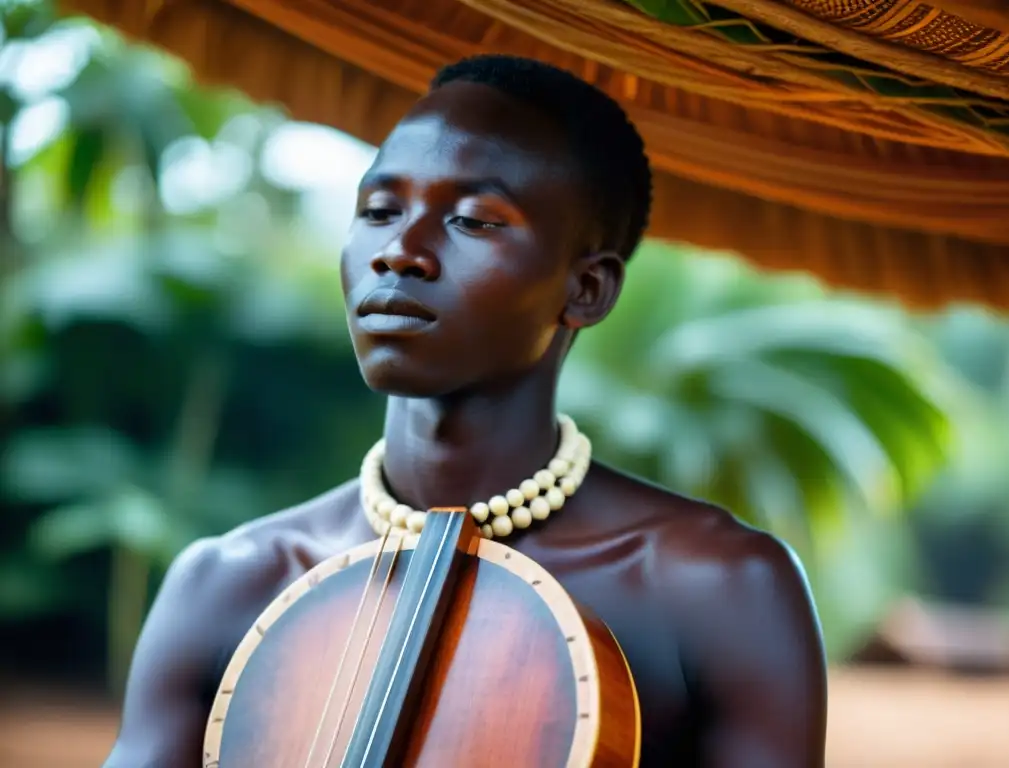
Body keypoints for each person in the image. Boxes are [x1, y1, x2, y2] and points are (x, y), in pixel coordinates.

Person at [103, 54, 827, 767]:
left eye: (474, 220)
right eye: (379, 211)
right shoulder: (229, 580)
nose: (401, 251)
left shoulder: (721, 586)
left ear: (587, 291)